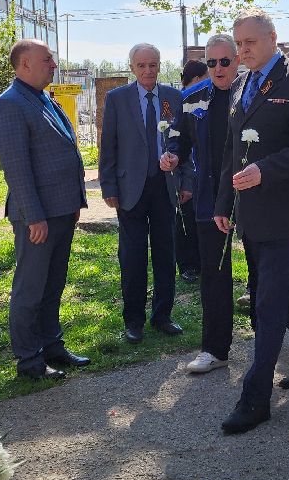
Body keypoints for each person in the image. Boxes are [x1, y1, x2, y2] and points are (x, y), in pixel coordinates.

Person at [214, 9, 289, 435]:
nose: (241, 51)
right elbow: (232, 148)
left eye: (249, 43)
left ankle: (255, 397)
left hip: (283, 207)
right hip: (249, 209)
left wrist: (267, 169)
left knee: (267, 301)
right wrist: (223, 203)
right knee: (275, 288)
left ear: (272, 38)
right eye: (238, 43)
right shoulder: (241, 82)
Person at [0, 39, 89, 381]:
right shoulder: (11, 104)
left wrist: (75, 202)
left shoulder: (42, 97)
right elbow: (16, 168)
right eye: (47, 59)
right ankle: (29, 360)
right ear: (24, 64)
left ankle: (52, 346)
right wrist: (35, 217)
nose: (53, 65)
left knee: (53, 284)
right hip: (38, 218)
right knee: (30, 289)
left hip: (60, 211)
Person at [99, 44, 190, 343]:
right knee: (133, 256)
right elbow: (108, 145)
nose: (148, 70)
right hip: (130, 190)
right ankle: (133, 321)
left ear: (159, 65)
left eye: (153, 65)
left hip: (165, 187)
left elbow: (186, 144)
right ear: (132, 68)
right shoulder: (117, 99)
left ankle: (163, 315)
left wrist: (186, 181)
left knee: (166, 253)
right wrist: (108, 185)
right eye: (142, 66)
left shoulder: (174, 98)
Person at [165, 34, 240, 374]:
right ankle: (215, 349)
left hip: (253, 194)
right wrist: (171, 155)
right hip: (210, 199)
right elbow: (178, 138)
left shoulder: (253, 92)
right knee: (214, 274)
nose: (218, 68)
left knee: (272, 274)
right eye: (211, 63)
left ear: (237, 60)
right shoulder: (192, 97)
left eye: (225, 61)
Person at [175, 59, 210, 282]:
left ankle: (199, 263)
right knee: (184, 223)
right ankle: (188, 265)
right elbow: (181, 147)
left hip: (200, 177)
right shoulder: (183, 103)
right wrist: (185, 182)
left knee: (197, 223)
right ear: (197, 79)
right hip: (186, 177)